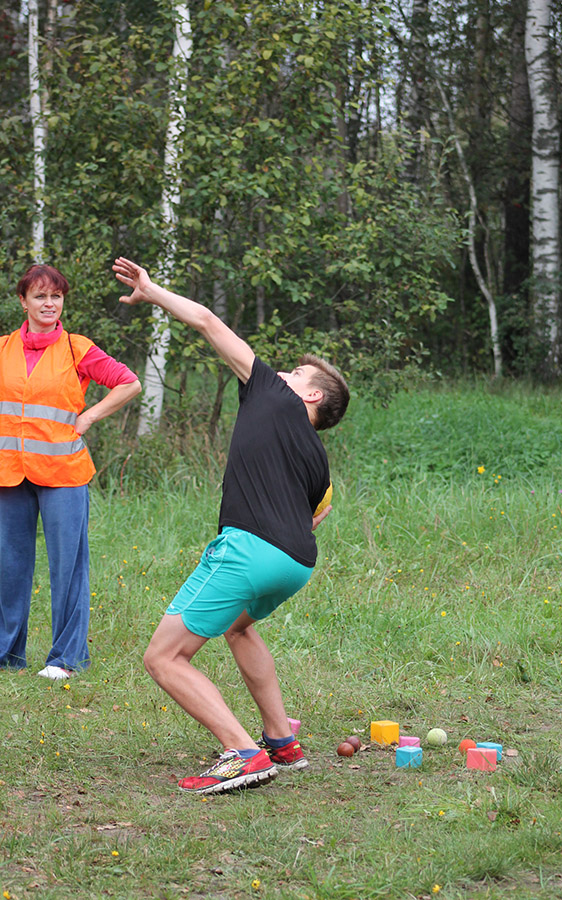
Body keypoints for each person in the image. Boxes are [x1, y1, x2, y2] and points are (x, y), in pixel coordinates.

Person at [112, 256, 349, 796]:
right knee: (239, 627)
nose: (282, 374)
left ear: (310, 395)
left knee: (163, 657)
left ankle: (243, 754)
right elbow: (320, 513)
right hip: (296, 563)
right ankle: (281, 741)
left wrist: (152, 291)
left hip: (250, 549)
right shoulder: (317, 456)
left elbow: (206, 321)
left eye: (295, 375)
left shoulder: (274, 394)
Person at [0, 264, 141, 679]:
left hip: (63, 472)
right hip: (9, 473)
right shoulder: (3, 348)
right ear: (23, 301)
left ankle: (65, 659)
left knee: (68, 567)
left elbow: (129, 383)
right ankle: (7, 654)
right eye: (40, 296)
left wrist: (90, 416)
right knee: (8, 566)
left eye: (56, 297)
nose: (49, 304)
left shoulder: (77, 348)